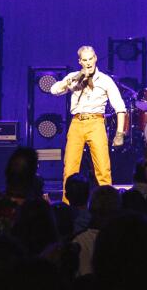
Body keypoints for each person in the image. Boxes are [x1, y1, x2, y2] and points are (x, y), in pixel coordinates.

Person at [50, 45, 128, 199]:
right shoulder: (74, 77)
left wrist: (119, 133)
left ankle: (108, 204)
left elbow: (120, 107)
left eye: (91, 59)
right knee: (70, 168)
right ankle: (67, 207)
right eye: (84, 60)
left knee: (103, 169)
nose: (88, 63)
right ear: (80, 61)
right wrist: (75, 78)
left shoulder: (105, 80)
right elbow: (54, 90)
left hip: (96, 123)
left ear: (96, 58)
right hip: (77, 123)